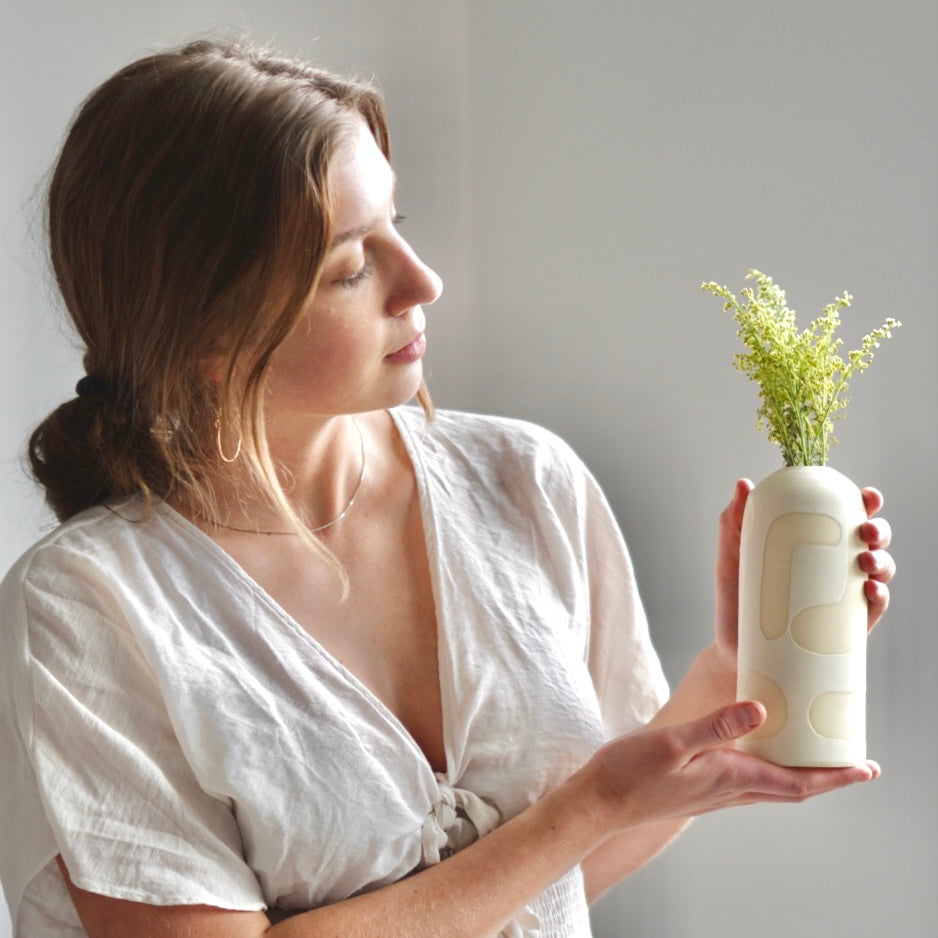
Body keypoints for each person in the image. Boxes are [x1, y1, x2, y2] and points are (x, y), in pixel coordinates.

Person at [0, 38, 895, 938]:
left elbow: (552, 887)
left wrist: (729, 681)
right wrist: (588, 803)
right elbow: (579, 822)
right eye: (351, 266)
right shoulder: (85, 608)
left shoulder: (527, 482)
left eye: (399, 221)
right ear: (203, 332)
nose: (421, 281)